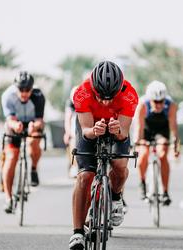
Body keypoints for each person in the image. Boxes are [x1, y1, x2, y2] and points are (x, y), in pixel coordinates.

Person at [69, 61, 138, 250]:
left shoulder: (129, 95)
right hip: (91, 128)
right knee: (84, 176)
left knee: (120, 166)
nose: (106, 102)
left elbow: (124, 132)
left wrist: (118, 131)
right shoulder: (82, 93)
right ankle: (77, 233)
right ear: (93, 88)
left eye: (111, 97)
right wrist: (94, 130)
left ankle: (116, 197)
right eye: (101, 97)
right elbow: (85, 130)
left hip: (116, 128)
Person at [1, 71, 45, 213]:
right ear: (16, 87)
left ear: (32, 88)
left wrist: (35, 126)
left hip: (32, 124)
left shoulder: (38, 96)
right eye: (21, 90)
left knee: (34, 141)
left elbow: (40, 120)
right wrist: (16, 126)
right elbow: (9, 120)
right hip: (14, 124)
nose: (24, 93)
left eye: (27, 90)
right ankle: (8, 199)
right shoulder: (7, 95)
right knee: (11, 157)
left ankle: (33, 169)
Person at [134, 80, 179, 206]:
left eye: (161, 101)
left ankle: (165, 192)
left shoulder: (171, 105)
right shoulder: (143, 104)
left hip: (162, 130)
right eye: (156, 102)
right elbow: (139, 127)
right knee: (143, 153)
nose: (159, 105)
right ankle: (142, 182)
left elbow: (174, 127)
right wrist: (138, 142)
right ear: (150, 99)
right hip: (147, 130)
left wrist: (176, 144)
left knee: (163, 154)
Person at [63, 86, 79, 178]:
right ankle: (73, 164)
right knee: (72, 141)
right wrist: (67, 133)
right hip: (74, 129)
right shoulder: (69, 104)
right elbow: (67, 118)